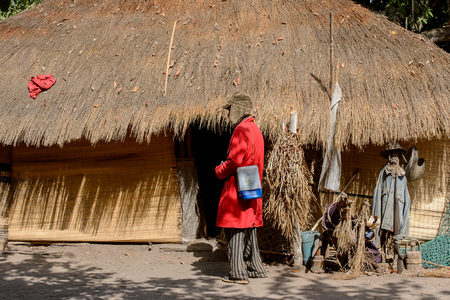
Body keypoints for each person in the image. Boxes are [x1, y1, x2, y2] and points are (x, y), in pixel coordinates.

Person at [215, 92, 267, 284]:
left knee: (235, 225)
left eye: (230, 110)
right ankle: (256, 267)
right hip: (251, 183)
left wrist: (219, 170)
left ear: (238, 109)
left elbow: (235, 160)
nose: (228, 114)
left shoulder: (241, 130)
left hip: (237, 186)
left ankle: (237, 272)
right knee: (248, 225)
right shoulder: (256, 130)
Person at [372, 141, 411, 263]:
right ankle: (382, 256)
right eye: (392, 156)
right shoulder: (384, 172)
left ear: (400, 157)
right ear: (388, 157)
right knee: (383, 232)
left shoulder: (402, 175)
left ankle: (396, 258)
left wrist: (405, 209)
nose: (394, 158)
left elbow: (406, 196)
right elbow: (378, 191)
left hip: (397, 210)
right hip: (384, 207)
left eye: (396, 156)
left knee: (396, 232)